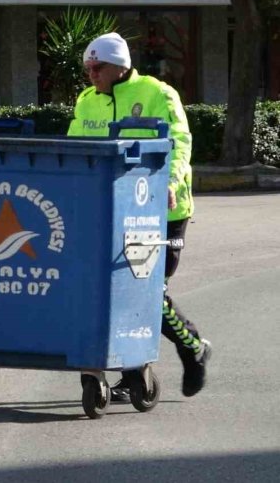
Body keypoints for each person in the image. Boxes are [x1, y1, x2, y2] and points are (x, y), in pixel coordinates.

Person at [67, 32, 212, 400]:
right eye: (87, 69)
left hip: (162, 210)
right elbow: (73, 152)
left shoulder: (157, 93)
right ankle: (133, 372)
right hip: (110, 212)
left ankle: (191, 347)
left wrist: (172, 180)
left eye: (98, 68)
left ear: (120, 66)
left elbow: (180, 142)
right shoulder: (87, 102)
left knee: (147, 291)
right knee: (120, 290)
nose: (92, 75)